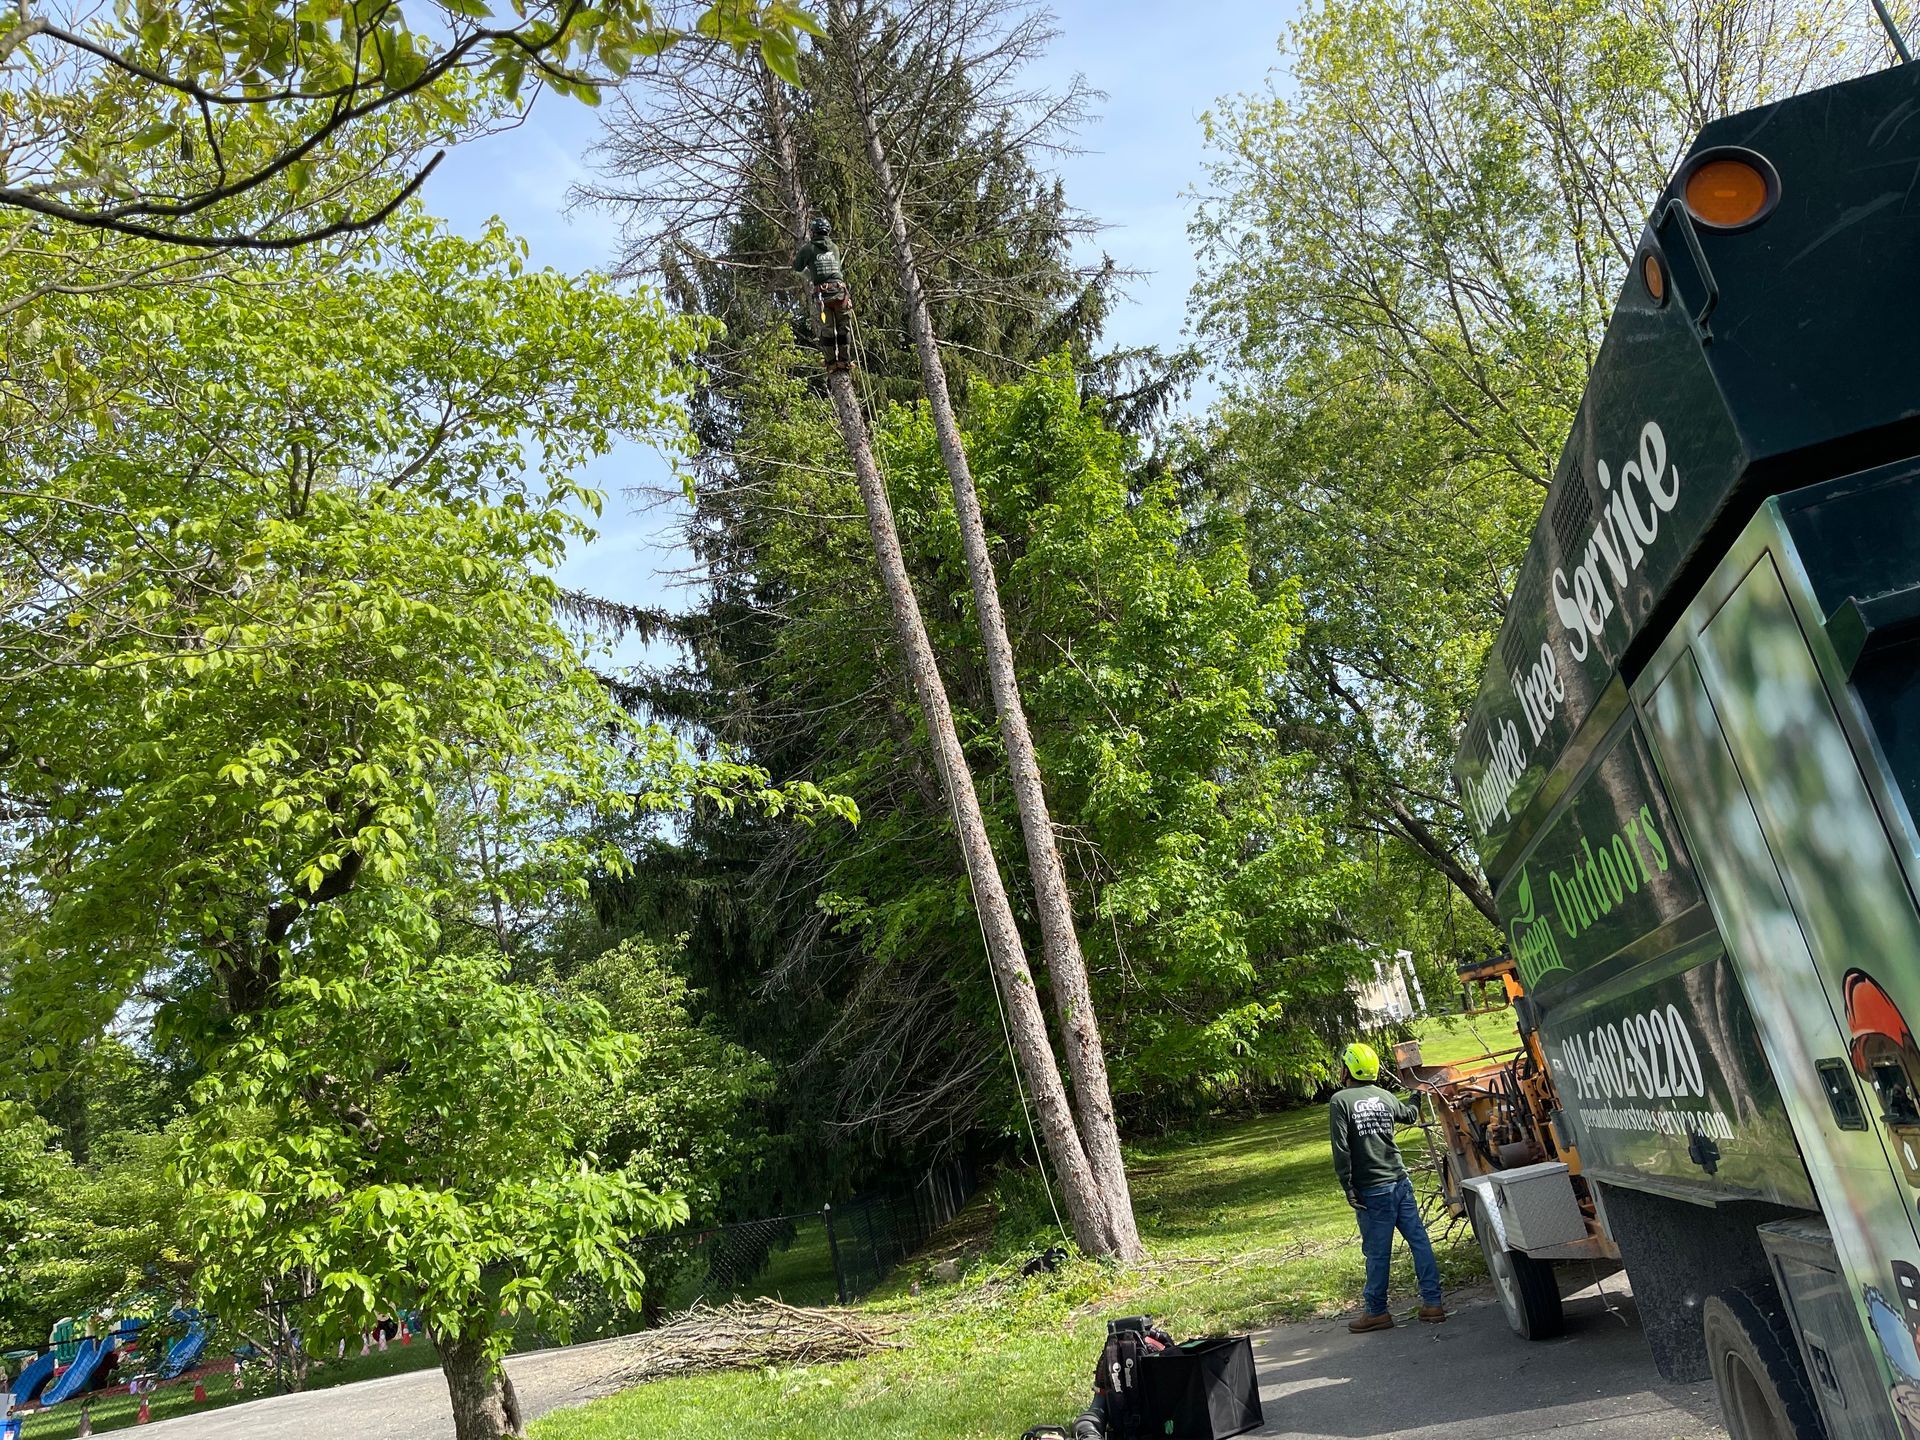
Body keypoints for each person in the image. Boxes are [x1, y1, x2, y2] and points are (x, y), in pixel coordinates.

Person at [1330, 1040, 1446, 1331]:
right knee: (1419, 1241)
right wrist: (1416, 1095)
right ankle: (1433, 1304)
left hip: (1371, 1189)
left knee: (1378, 1252)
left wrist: (1348, 1184)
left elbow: (1341, 1147)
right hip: (1399, 1181)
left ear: (1349, 1069)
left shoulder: (1340, 1101)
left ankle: (1377, 1311)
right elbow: (1408, 1115)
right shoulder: (1383, 1096)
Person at [791, 216, 854, 372]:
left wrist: (811, 276)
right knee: (843, 328)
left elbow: (797, 268)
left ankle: (831, 362)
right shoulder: (835, 248)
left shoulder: (808, 248)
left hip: (823, 297)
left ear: (813, 232)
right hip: (840, 293)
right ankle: (845, 361)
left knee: (827, 330)